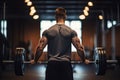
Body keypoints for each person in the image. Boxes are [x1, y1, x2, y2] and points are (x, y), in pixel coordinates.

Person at [31, 7, 89, 80]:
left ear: (55, 17)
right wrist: (84, 60)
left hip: (52, 64)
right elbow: (79, 48)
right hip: (66, 65)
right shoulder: (71, 31)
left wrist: (35, 60)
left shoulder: (48, 31)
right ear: (65, 16)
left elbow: (40, 48)